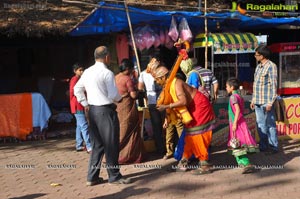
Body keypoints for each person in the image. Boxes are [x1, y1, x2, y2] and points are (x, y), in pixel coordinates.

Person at [74, 46, 131, 186]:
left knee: (97, 145)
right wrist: (119, 98)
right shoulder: (107, 72)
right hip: (106, 111)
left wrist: (85, 103)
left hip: (93, 111)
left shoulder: (87, 72)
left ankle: (92, 177)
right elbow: (113, 95)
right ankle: (114, 176)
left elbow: (77, 89)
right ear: (106, 57)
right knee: (111, 144)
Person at [153, 66, 216, 175]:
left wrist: (166, 106)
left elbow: (183, 101)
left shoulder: (176, 83)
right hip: (193, 107)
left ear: (163, 77)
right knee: (189, 135)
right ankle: (184, 161)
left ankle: (204, 164)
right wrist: (167, 118)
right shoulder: (169, 85)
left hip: (199, 106)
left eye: (157, 79)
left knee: (197, 135)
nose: (157, 82)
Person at [226, 78, 259, 174]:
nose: (226, 88)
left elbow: (237, 110)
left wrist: (235, 123)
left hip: (237, 123)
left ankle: (247, 164)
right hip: (240, 122)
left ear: (232, 87)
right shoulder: (239, 96)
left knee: (237, 144)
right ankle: (242, 163)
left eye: (227, 86)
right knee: (237, 143)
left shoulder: (233, 97)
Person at [250, 44, 279, 155]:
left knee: (270, 125)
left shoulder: (271, 66)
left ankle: (273, 147)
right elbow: (255, 85)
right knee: (260, 125)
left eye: (256, 55)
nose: (255, 56)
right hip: (257, 101)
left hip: (267, 102)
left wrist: (270, 102)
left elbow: (273, 85)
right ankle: (263, 146)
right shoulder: (258, 67)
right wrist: (253, 100)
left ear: (262, 56)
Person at [115, 58, 145, 164]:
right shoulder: (127, 79)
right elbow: (133, 95)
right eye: (131, 69)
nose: (132, 71)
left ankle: (115, 155)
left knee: (120, 131)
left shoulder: (116, 77)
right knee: (130, 131)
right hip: (127, 108)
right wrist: (140, 92)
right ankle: (129, 156)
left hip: (117, 108)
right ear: (127, 69)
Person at [138, 56, 165, 156]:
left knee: (157, 126)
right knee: (166, 125)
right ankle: (167, 148)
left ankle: (161, 149)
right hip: (162, 100)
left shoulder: (143, 74)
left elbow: (140, 88)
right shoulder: (160, 72)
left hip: (152, 101)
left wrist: (146, 96)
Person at [69, 63, 92, 153]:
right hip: (78, 104)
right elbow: (73, 92)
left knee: (79, 126)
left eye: (82, 69)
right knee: (84, 126)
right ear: (75, 71)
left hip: (77, 104)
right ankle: (89, 146)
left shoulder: (79, 79)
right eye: (80, 70)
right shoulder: (75, 79)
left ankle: (79, 145)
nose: (82, 71)